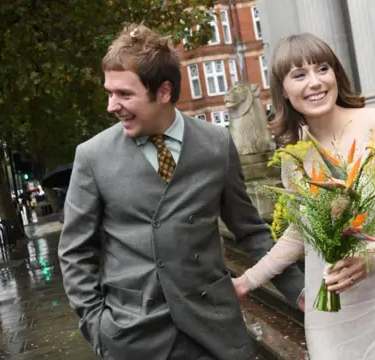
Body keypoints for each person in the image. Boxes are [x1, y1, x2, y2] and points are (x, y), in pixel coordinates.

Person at [57, 24, 304, 360]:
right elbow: (75, 253)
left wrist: (298, 290)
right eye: (109, 93)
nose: (112, 105)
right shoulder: (92, 156)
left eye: (124, 94)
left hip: (214, 332)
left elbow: (250, 230)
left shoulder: (216, 145)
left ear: (163, 91)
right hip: (135, 336)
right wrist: (98, 329)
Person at [232, 33, 375, 359]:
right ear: (283, 92)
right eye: (299, 74)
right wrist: (247, 281)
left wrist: (372, 257)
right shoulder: (293, 157)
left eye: (322, 69)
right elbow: (299, 232)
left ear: (336, 74)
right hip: (334, 314)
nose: (315, 82)